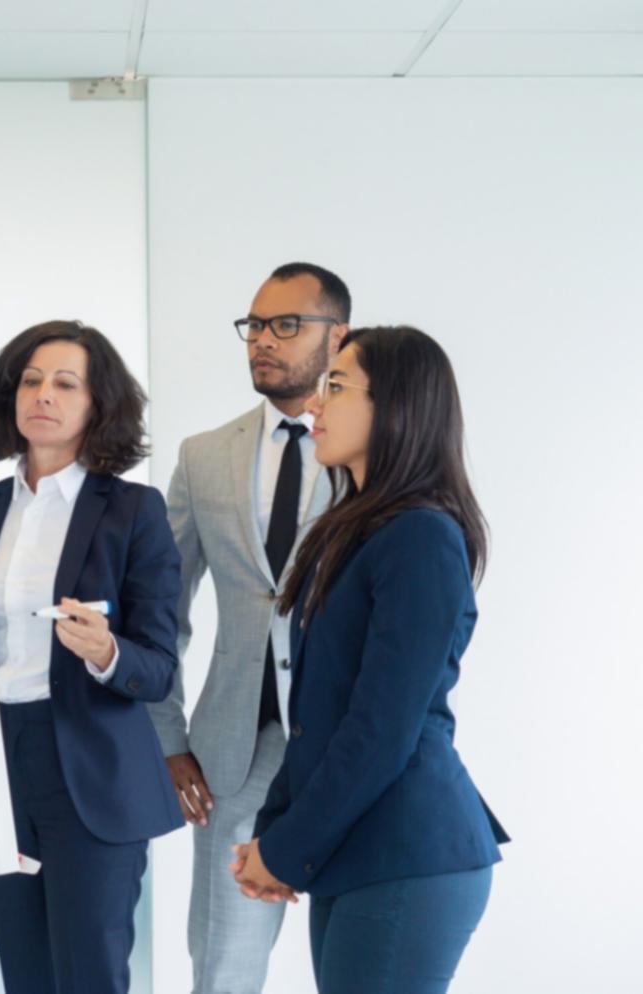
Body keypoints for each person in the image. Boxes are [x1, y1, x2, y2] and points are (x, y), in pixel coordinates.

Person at [232, 325, 510, 994]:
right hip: (362, 850)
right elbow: (317, 717)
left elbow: (380, 730)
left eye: (335, 386)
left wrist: (287, 848)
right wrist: (275, 836)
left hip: (407, 851)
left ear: (397, 405)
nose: (313, 405)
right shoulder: (356, 527)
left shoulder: (420, 537)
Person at [148, 263, 350, 993]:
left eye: (286, 325)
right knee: (223, 967)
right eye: (254, 326)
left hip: (347, 743)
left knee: (359, 958)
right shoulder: (203, 457)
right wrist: (168, 740)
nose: (262, 341)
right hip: (234, 749)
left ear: (340, 334)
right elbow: (160, 611)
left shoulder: (376, 452)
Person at [0, 319, 185, 994]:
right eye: (30, 380)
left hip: (90, 770)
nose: (43, 395)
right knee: (24, 976)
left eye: (66, 383)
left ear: (99, 405)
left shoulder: (133, 511)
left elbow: (157, 668)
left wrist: (106, 652)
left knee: (88, 977)